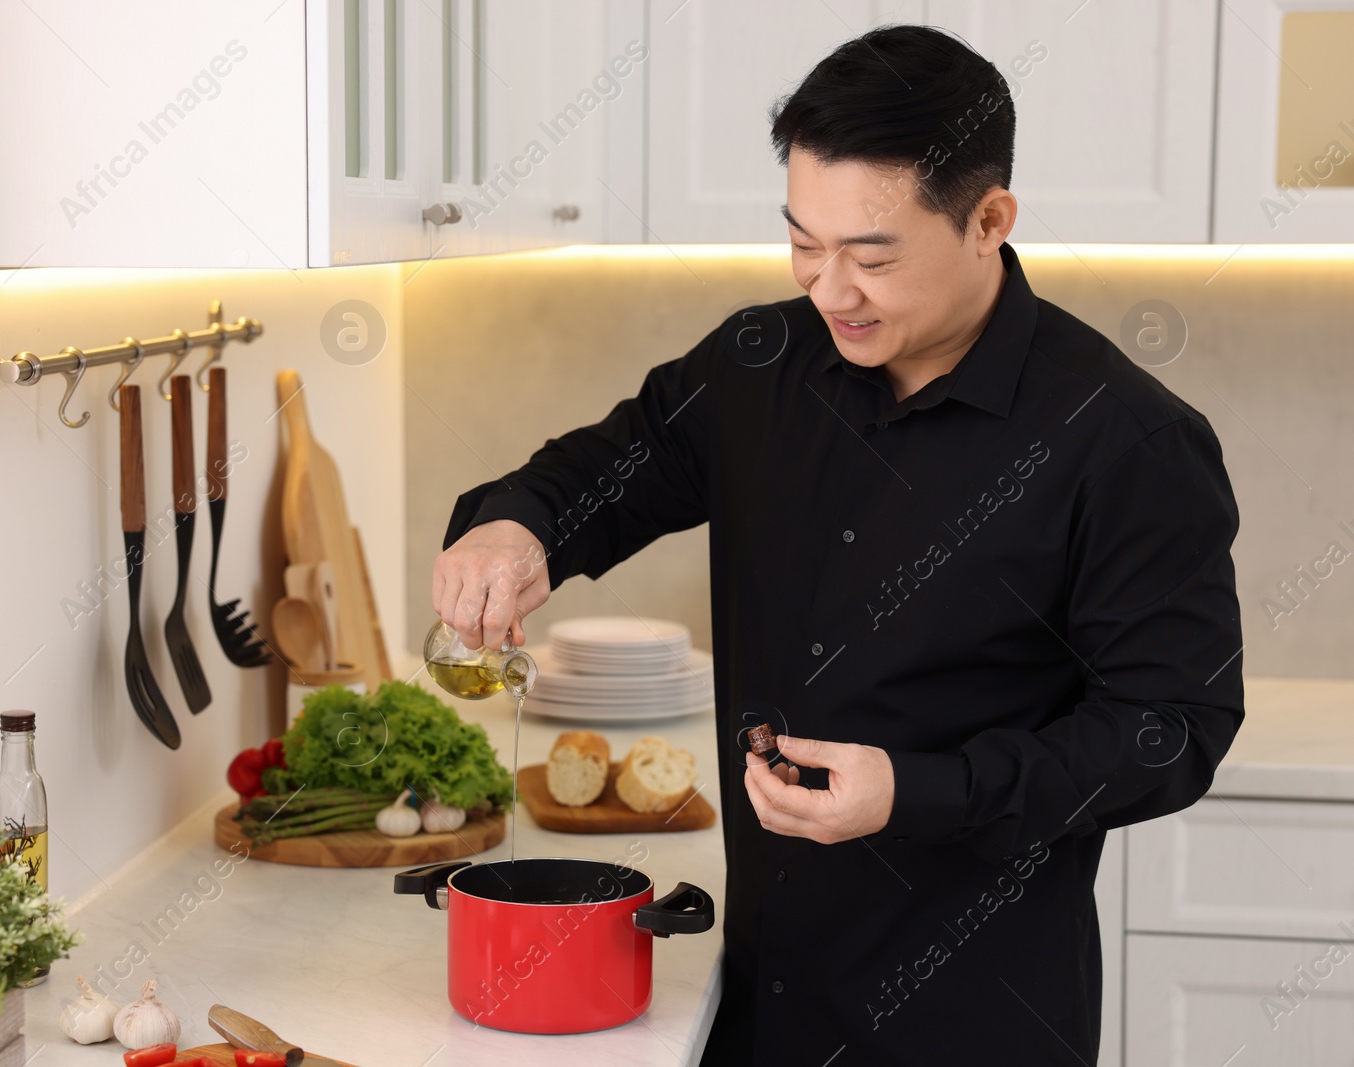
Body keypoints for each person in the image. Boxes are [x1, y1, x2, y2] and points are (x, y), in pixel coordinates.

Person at [431, 23, 1243, 1066]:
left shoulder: (1124, 439)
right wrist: (515, 522)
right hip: (760, 996)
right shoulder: (759, 363)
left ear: (989, 218)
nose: (828, 290)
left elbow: (1169, 729)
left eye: (871, 256)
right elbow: (608, 467)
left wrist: (918, 788)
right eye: (802, 243)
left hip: (975, 1017)